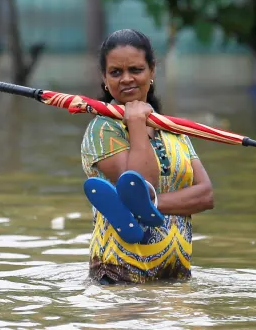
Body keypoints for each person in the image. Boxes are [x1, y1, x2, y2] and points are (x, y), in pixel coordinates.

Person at [80, 29, 214, 284]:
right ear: (104, 79)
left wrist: (147, 205)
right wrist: (137, 125)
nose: (126, 79)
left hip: (175, 277)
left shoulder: (174, 131)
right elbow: (140, 183)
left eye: (136, 70)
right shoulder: (103, 129)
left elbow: (205, 195)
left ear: (152, 71)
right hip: (118, 277)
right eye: (116, 72)